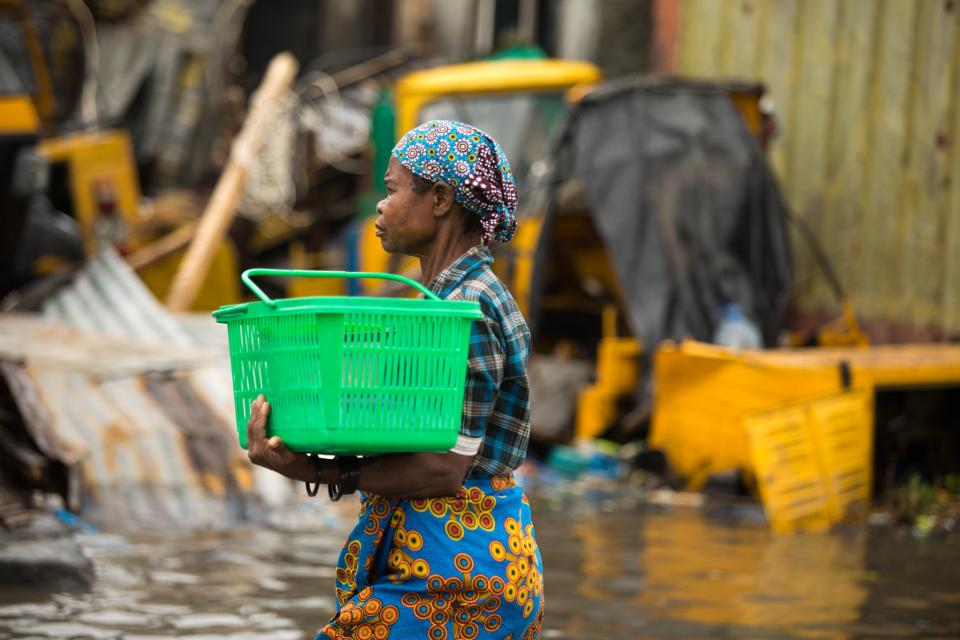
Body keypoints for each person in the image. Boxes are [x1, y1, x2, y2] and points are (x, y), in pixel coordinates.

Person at [245, 119, 544, 639]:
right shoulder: (440, 302)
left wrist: (321, 473)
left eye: (391, 190)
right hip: (460, 562)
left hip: (457, 576)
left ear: (442, 198)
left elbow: (442, 468)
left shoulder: (466, 308)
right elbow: (414, 437)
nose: (380, 207)